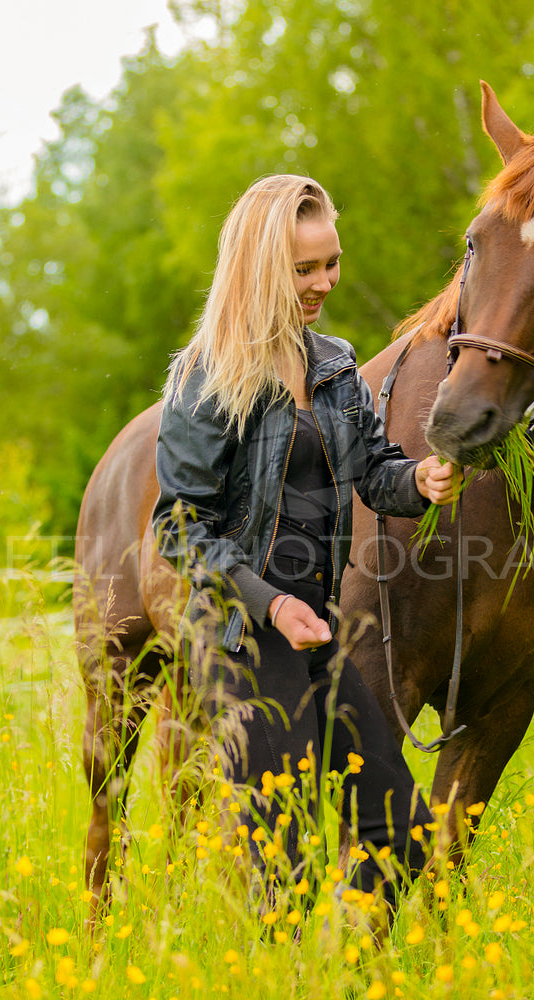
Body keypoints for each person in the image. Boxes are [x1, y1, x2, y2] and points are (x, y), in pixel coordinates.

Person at [152, 174, 461, 919]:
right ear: (261, 268)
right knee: (280, 865)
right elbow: (177, 528)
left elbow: (373, 473)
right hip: (237, 642)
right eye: (304, 269)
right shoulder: (207, 378)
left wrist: (418, 477)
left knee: (402, 833)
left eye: (332, 263)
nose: (325, 282)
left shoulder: (332, 363)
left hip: (313, 632)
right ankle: (290, 971)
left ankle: (343, 964)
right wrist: (272, 603)